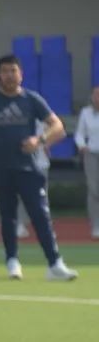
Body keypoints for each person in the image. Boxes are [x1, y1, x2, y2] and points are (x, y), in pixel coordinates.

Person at [0, 55, 77, 281]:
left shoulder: (32, 99)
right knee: (8, 216)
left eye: (13, 70)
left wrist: (39, 141)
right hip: (1, 168)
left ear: (21, 74)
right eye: (4, 71)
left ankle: (54, 263)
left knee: (40, 215)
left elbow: (58, 126)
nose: (9, 75)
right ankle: (12, 261)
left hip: (29, 168)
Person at [74, 86, 99, 239]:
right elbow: (79, 133)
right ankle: (96, 225)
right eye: (96, 95)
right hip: (91, 154)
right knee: (93, 189)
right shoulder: (85, 113)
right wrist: (82, 145)